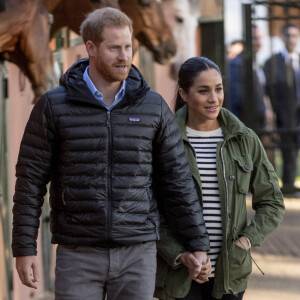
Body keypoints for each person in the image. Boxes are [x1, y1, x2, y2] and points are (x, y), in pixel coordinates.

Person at [11, 8, 210, 300]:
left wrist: (197, 243)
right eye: (114, 47)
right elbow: (30, 181)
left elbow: (177, 180)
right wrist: (24, 248)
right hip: (77, 253)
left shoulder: (152, 107)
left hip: (137, 254)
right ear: (90, 48)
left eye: (128, 46)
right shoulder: (54, 106)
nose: (123, 56)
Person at [154, 57, 285, 300]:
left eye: (218, 89)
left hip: (230, 274)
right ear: (184, 94)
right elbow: (150, 210)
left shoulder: (245, 140)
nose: (214, 99)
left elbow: (272, 202)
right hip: (179, 273)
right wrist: (181, 255)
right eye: (203, 91)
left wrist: (246, 242)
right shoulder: (164, 142)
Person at [264, 23, 300, 195]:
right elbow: (268, 91)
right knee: (288, 149)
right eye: (288, 35)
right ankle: (288, 184)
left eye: (295, 35)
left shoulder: (299, 59)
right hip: (284, 112)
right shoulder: (273, 62)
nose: (292, 39)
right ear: (282, 37)